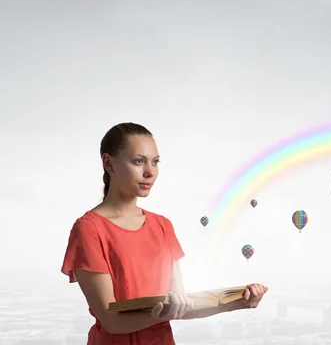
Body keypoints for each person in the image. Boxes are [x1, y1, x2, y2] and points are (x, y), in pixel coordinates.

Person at [60, 122, 268, 344]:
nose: (150, 172)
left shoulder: (162, 226)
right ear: (109, 163)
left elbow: (180, 305)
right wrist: (163, 313)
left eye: (155, 162)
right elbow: (111, 321)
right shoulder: (89, 229)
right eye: (138, 161)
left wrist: (236, 302)